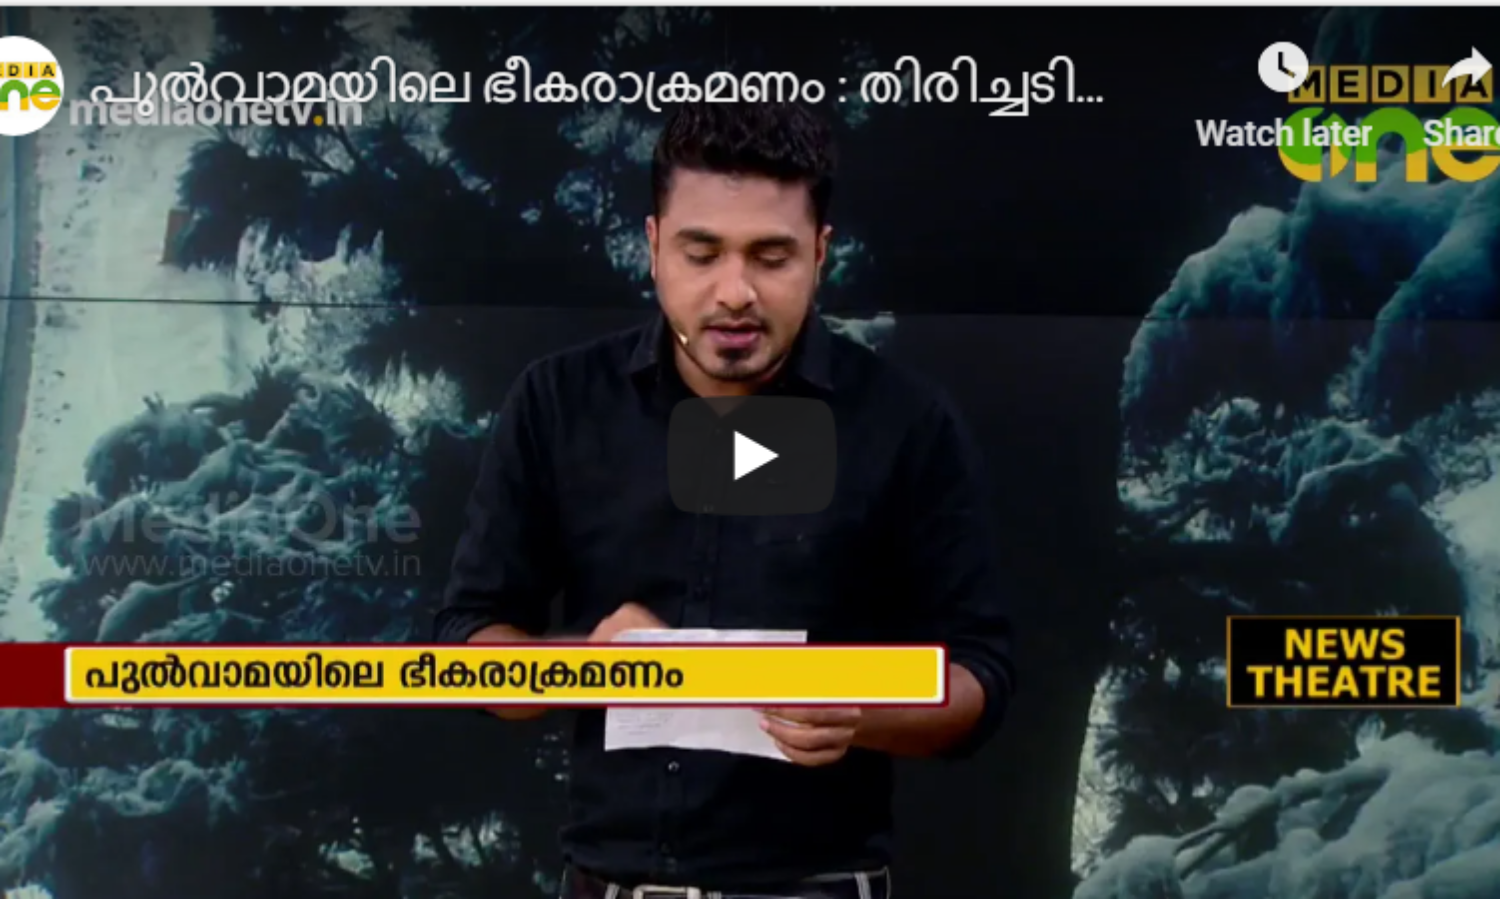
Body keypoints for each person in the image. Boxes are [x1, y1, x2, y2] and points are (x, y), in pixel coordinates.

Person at [435, 101, 1015, 899]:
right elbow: (466, 646)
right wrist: (584, 666)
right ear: (653, 247)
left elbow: (980, 675)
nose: (735, 291)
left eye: (771, 256)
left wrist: (858, 706)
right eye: (700, 253)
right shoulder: (558, 401)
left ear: (820, 253)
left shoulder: (905, 421)